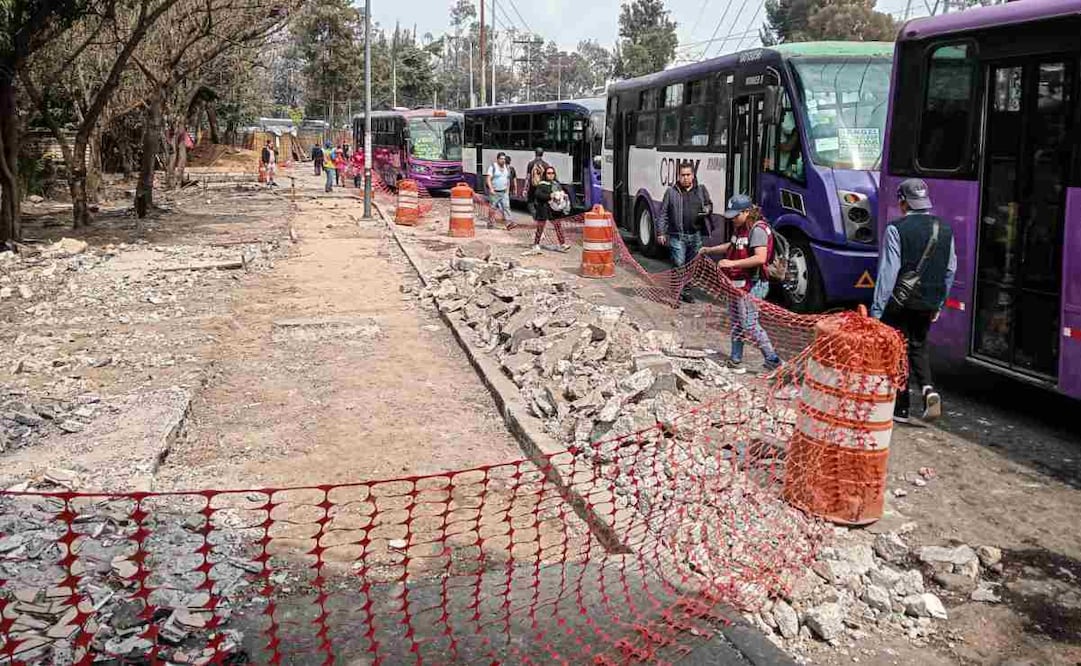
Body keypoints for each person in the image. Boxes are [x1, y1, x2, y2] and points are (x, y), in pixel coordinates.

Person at [871, 178, 956, 423]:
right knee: (918, 346)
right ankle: (929, 389)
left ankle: (901, 407)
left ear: (903, 202)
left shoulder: (896, 229)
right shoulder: (945, 228)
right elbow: (950, 270)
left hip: (900, 303)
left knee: (898, 350)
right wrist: (939, 303)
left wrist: (877, 312)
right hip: (928, 302)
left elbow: (888, 274)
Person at [698, 194, 782, 374]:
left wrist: (731, 263)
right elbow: (733, 245)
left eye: (736, 215)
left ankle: (773, 360)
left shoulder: (758, 230)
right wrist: (710, 250)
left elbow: (760, 258)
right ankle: (735, 359)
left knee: (750, 323)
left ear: (747, 211)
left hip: (753, 284)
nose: (732, 219)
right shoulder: (742, 226)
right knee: (736, 321)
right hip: (736, 283)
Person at [655, 162, 713, 303]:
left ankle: (686, 292)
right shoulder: (671, 192)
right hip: (677, 236)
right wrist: (661, 232)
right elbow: (663, 214)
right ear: (678, 176)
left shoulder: (701, 190)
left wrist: (707, 209)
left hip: (695, 235)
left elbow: (709, 204)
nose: (685, 178)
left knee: (691, 266)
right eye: (683, 175)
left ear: (693, 176)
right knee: (679, 264)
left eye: (688, 175)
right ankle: (676, 294)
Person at [530, 165, 571, 253]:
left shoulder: (556, 184)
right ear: (545, 174)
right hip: (544, 208)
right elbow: (538, 195)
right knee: (541, 226)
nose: (551, 175)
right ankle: (536, 244)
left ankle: (562, 244)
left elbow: (560, 192)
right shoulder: (542, 184)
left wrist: (563, 196)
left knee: (558, 225)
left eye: (552, 173)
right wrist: (550, 196)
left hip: (554, 209)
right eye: (549, 173)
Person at [486, 152, 512, 228]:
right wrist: (491, 188)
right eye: (501, 159)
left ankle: (508, 223)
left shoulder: (507, 168)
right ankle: (490, 223)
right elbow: (488, 178)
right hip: (495, 191)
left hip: (504, 191)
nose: (503, 160)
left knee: (506, 207)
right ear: (497, 159)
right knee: (492, 208)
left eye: (504, 159)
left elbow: (508, 180)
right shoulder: (493, 167)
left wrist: (507, 190)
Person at [525, 147, 551, 216]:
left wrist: (525, 188)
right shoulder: (546, 164)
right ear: (542, 154)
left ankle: (535, 215)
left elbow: (528, 177)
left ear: (535, 153)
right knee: (542, 202)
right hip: (542, 186)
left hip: (532, 186)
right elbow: (548, 177)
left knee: (530, 202)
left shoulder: (531, 163)